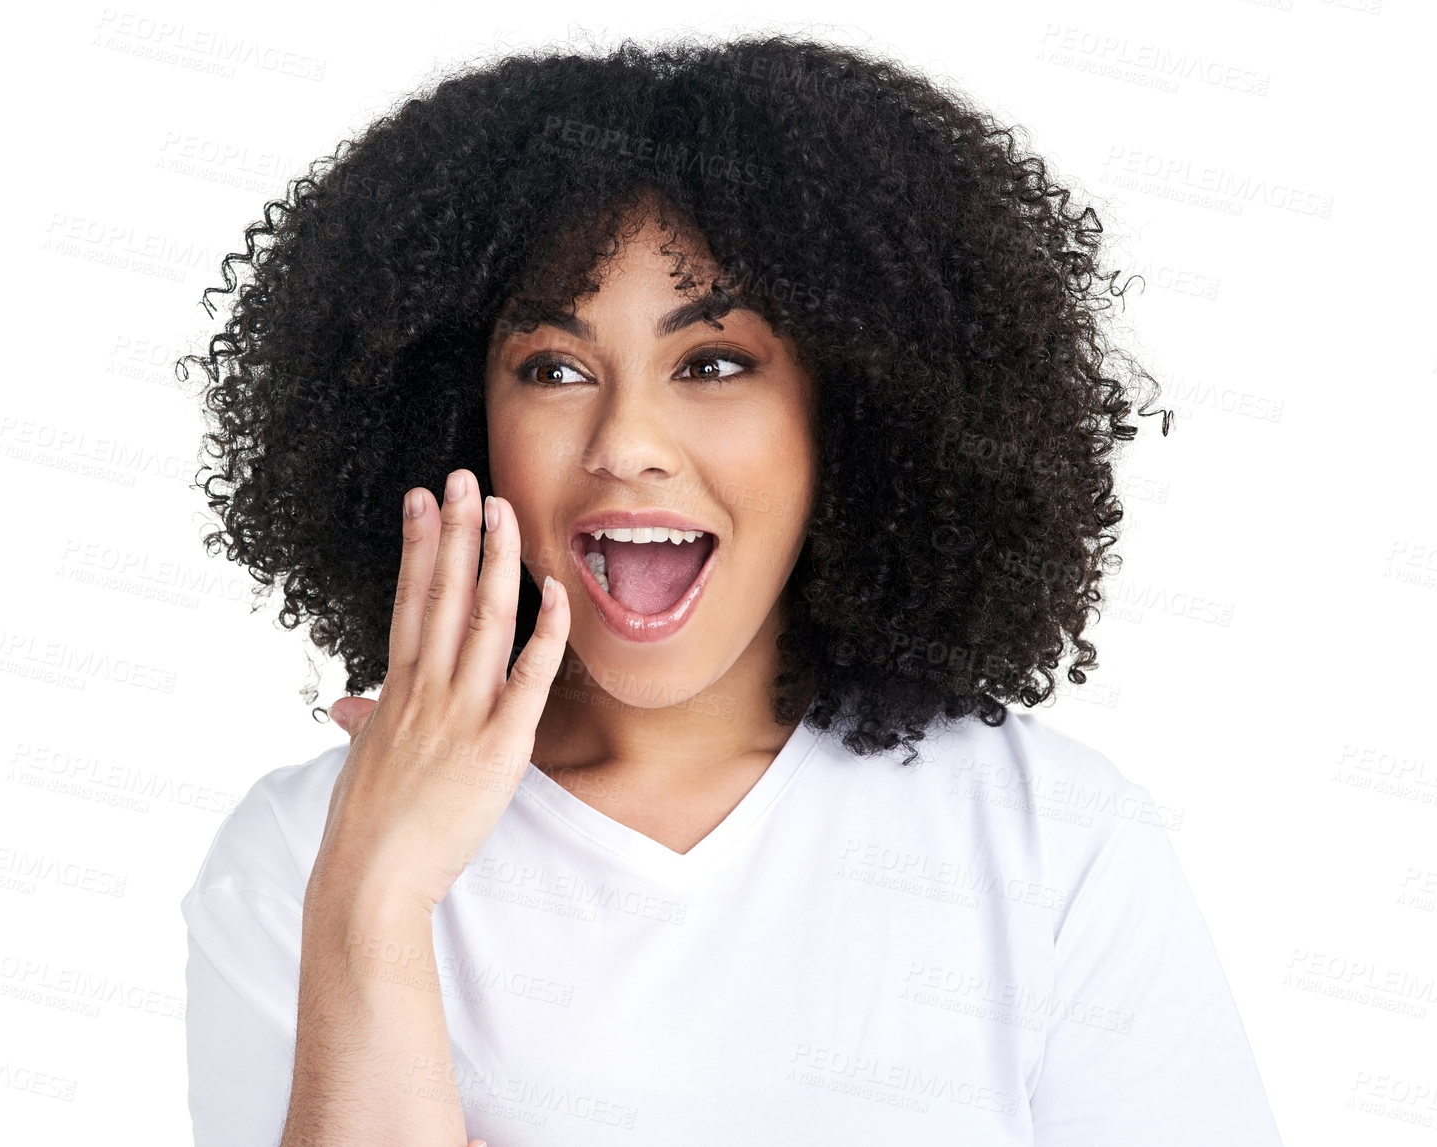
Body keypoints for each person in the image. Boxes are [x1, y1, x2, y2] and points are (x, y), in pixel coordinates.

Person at [177, 34, 1281, 1147]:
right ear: (463, 421)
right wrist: (375, 900)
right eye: (555, 369)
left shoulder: (1048, 837)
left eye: (711, 364)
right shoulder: (308, 852)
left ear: (846, 408)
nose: (629, 444)